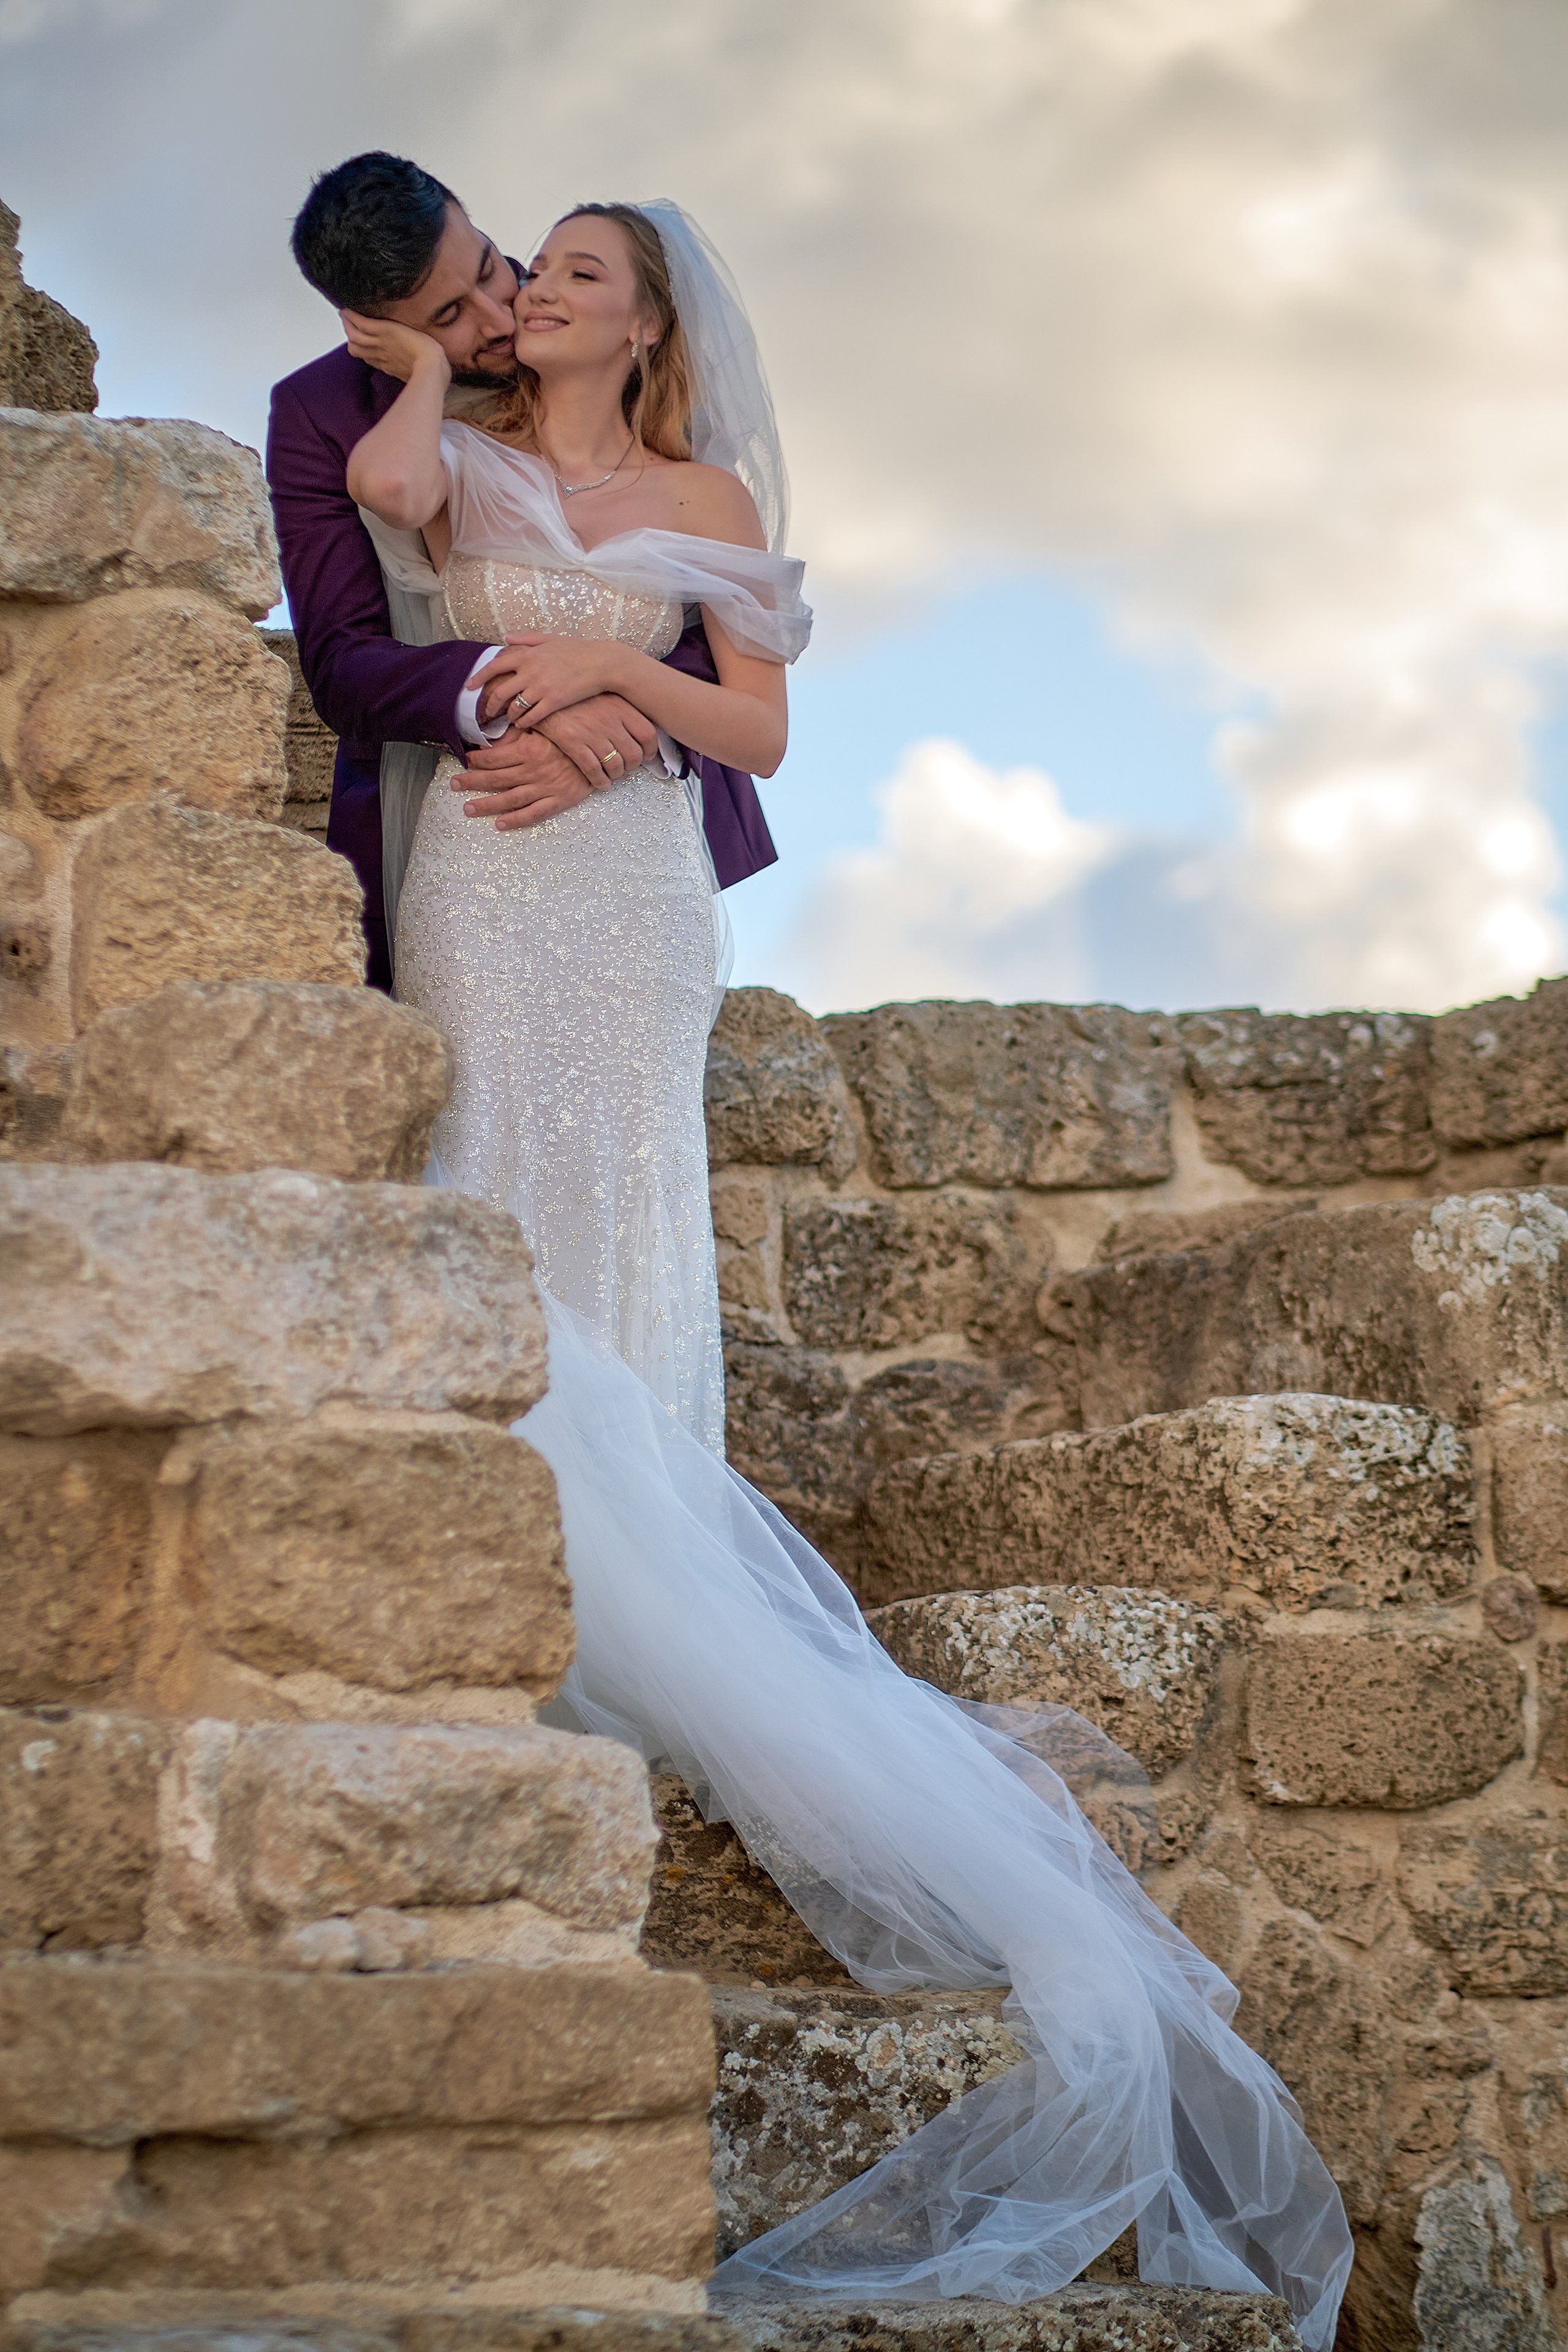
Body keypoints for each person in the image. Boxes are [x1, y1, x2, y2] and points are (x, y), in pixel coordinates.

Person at [343, 195, 1354, 2345]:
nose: (541, 293)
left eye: (580, 278)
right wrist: (435, 363)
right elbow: (382, 504)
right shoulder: (463, 434)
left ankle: (640, 1586)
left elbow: (764, 737)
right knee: (485, 1175)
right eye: (527, 270)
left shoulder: (704, 497)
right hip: (482, 878)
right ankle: (516, 1549)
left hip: (622, 893)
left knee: (616, 1200)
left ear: (655, 318)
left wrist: (621, 674)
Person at [267, 153, 776, 990]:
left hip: (641, 845)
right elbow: (344, 663)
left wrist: (612, 713)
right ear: (372, 328)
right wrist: (521, 706)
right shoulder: (325, 417)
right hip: (471, 824)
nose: (503, 314)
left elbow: (706, 626)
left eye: (490, 268)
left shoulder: (575, 328)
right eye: (448, 319)